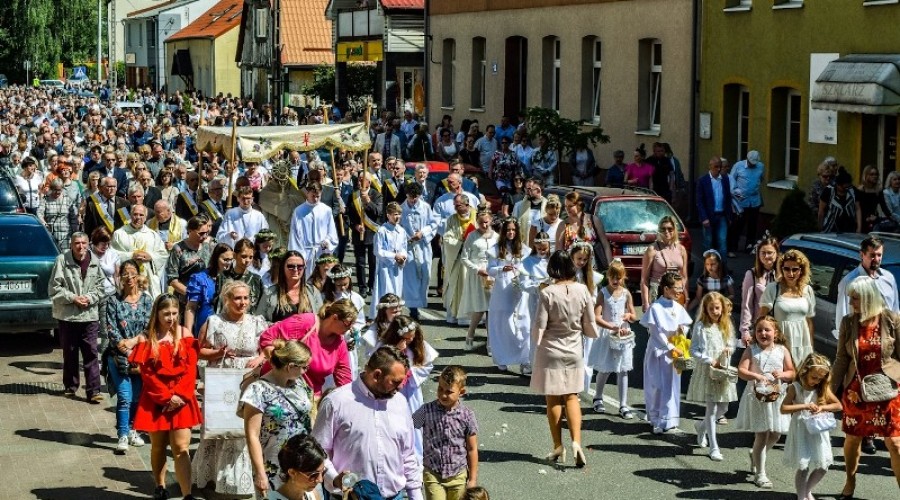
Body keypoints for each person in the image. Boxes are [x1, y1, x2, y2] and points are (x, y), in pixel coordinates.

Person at [312, 346, 425, 500]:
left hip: (395, 496)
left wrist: (416, 495)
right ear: (377, 375)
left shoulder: (400, 402)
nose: (400, 387)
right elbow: (318, 452)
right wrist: (335, 479)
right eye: (395, 381)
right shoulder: (336, 402)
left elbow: (408, 453)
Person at [192, 281, 269, 497]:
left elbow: (269, 346)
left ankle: (241, 479)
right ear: (227, 299)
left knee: (243, 431)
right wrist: (218, 353)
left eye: (245, 298)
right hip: (222, 380)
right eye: (237, 298)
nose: (242, 302)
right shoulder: (214, 321)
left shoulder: (257, 322)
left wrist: (260, 358)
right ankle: (211, 477)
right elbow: (199, 351)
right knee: (219, 428)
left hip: (248, 379)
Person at [831, 277, 900, 498]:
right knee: (852, 438)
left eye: (855, 298)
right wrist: (829, 391)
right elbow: (841, 358)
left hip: (888, 389)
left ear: (869, 298)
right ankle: (849, 483)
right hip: (856, 391)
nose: (851, 302)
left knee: (896, 444)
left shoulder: (891, 319)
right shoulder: (848, 322)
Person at [129, 294, 202, 500]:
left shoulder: (184, 333)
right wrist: (166, 398)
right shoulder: (148, 337)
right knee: (158, 446)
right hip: (156, 400)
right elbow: (148, 374)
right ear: (157, 314)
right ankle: (160, 486)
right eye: (166, 314)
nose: (170, 318)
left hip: (182, 399)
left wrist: (180, 395)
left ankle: (187, 494)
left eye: (174, 313)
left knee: (181, 447)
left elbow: (190, 369)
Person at [531, 250, 597, 467]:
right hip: (574, 348)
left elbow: (540, 324)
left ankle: (558, 445)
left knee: (553, 397)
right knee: (571, 396)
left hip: (551, 348)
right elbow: (589, 322)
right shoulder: (583, 290)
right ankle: (577, 442)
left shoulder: (548, 292)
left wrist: (535, 342)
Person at [242, 339, 314, 498]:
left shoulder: (299, 383)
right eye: (304, 367)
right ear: (291, 367)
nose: (306, 371)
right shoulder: (258, 390)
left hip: (302, 461)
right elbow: (251, 435)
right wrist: (260, 474)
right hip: (273, 466)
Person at [735, 316, 795, 491]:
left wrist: (782, 375)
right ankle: (760, 473)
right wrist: (756, 376)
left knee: (776, 433)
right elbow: (741, 371)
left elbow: (792, 372)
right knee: (761, 435)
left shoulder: (782, 350)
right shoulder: (751, 350)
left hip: (776, 397)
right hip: (757, 397)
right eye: (759, 330)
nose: (763, 333)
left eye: (767, 330)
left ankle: (756, 453)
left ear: (775, 333)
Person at [50, 232, 107, 402]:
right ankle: (70, 386)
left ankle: (94, 391)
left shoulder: (95, 262)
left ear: (88, 244)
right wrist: (73, 298)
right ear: (71, 245)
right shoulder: (62, 261)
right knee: (70, 352)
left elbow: (101, 288)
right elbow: (54, 288)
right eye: (77, 243)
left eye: (83, 243)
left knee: (91, 352)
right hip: (68, 316)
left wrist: (88, 298)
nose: (80, 246)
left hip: (89, 316)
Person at [258, 301, 355, 398]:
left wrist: (348, 400)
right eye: (347, 323)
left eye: (352, 325)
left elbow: (344, 378)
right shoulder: (305, 322)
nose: (350, 328)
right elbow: (267, 338)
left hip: (308, 397)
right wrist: (277, 366)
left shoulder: (340, 344)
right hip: (275, 388)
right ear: (334, 317)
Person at [104, 260, 153, 454]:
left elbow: (150, 328)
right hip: (119, 357)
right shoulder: (113, 301)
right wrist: (127, 351)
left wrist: (133, 344)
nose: (130, 278)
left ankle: (134, 429)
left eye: (133, 273)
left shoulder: (147, 300)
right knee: (125, 396)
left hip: (141, 354)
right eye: (126, 274)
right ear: (120, 277)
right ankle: (122, 434)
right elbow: (111, 330)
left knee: (137, 397)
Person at [780, 353, 842, 500]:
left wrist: (823, 408)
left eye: (820, 378)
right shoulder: (795, 387)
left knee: (823, 466)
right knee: (804, 466)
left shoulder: (821, 388)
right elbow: (783, 408)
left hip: (817, 429)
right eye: (814, 377)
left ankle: (807, 490)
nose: (817, 381)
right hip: (801, 428)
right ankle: (801, 496)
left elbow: (838, 405)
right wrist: (805, 405)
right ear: (805, 371)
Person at [413, 365, 479, 499]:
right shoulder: (426, 410)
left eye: (449, 392)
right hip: (433, 473)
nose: (443, 394)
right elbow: (407, 428)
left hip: (458, 475)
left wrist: (472, 479)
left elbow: (472, 449)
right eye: (440, 389)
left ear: (461, 392)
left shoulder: (467, 416)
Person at [686, 292, 738, 462]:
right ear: (706, 310)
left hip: (722, 370)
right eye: (711, 308)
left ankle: (701, 426)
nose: (715, 311)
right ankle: (714, 447)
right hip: (709, 371)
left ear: (722, 308)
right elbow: (693, 350)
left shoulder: (726, 324)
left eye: (717, 308)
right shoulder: (701, 326)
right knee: (712, 408)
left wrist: (729, 349)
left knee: (724, 408)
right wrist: (709, 360)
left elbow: (731, 342)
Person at [377, 316, 439, 454]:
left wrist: (412, 372)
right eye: (405, 338)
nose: (409, 341)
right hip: (391, 391)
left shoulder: (417, 347)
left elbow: (427, 366)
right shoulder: (384, 347)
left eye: (411, 337)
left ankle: (416, 453)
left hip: (411, 393)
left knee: (414, 422)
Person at [640, 271, 692, 435]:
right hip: (659, 351)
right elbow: (655, 331)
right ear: (666, 289)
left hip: (674, 353)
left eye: (681, 288)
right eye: (676, 288)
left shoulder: (678, 307)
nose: (680, 291)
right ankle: (655, 419)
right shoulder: (656, 307)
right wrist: (670, 347)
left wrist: (682, 331)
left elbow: (685, 324)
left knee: (672, 386)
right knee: (657, 385)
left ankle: (670, 420)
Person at [587, 259, 636, 419]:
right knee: (605, 368)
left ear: (623, 277)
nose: (616, 281)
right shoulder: (603, 293)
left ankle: (623, 404)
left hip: (623, 336)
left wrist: (629, 316)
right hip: (608, 334)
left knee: (623, 370)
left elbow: (633, 315)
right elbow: (596, 316)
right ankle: (598, 397)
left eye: (619, 278)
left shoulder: (626, 294)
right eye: (613, 277)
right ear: (608, 276)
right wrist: (611, 326)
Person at [486, 218, 532, 374]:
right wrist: (501, 270)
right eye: (508, 230)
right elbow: (490, 270)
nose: (511, 233)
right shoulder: (495, 249)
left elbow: (528, 268)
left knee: (523, 324)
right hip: (502, 289)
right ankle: (502, 358)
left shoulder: (524, 250)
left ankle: (525, 360)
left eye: (513, 230)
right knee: (503, 324)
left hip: (520, 289)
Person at [758, 248, 816, 370]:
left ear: (801, 270)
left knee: (799, 383)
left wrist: (810, 347)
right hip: (780, 342)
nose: (790, 273)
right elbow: (761, 318)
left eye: (795, 269)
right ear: (781, 269)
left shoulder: (808, 290)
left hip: (802, 343)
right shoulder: (773, 288)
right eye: (786, 269)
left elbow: (809, 321)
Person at [459, 208, 498, 351]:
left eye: (486, 222)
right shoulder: (471, 236)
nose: (484, 225)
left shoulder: (497, 237)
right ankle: (470, 334)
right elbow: (464, 258)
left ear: (491, 221)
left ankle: (490, 342)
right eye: (481, 223)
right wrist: (477, 269)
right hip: (477, 275)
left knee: (491, 309)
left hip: (492, 274)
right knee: (481, 307)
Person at [112, 204, 168, 298]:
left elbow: (163, 254)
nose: (138, 217)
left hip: (148, 279)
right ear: (130, 215)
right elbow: (112, 255)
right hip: (128, 279)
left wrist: (150, 256)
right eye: (135, 214)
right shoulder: (120, 234)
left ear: (146, 217)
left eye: (141, 215)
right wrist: (131, 256)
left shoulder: (152, 235)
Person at [322, 265, 366, 380]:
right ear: (332, 282)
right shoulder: (325, 298)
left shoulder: (356, 298)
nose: (342, 288)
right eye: (339, 285)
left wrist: (354, 333)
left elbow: (360, 321)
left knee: (347, 371)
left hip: (348, 341)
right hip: (330, 341)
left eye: (345, 284)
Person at [289, 182, 339, 280]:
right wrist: (300, 255)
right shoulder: (299, 211)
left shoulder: (326, 210)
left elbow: (331, 232)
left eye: (318, 196)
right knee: (306, 281)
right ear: (307, 193)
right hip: (305, 253)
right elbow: (294, 236)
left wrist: (327, 241)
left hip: (322, 251)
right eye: (313, 196)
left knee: (322, 281)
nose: (315, 199)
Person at [440, 195, 477, 325]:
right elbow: (447, 238)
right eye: (455, 205)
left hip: (473, 260)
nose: (455, 208)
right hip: (458, 259)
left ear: (467, 205)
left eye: (459, 205)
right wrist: (460, 241)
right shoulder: (452, 219)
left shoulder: (477, 217)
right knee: (456, 288)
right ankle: (456, 315)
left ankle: (472, 317)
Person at [256, 252, 323, 323]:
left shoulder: (313, 292)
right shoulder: (269, 293)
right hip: (278, 333)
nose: (296, 269)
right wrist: (274, 326)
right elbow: (258, 321)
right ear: (283, 268)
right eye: (291, 266)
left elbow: (321, 320)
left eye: (300, 266)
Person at [640, 216, 688, 311]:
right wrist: (645, 302)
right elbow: (644, 279)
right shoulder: (652, 250)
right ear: (659, 230)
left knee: (676, 324)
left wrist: (686, 297)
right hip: (657, 292)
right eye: (663, 229)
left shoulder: (681, 249)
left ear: (675, 230)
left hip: (676, 293)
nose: (666, 232)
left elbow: (684, 276)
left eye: (670, 229)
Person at [165, 215, 214, 307]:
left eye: (207, 233)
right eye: (201, 233)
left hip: (207, 298)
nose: (205, 236)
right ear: (190, 231)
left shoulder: (210, 246)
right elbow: (172, 279)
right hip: (185, 298)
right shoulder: (178, 249)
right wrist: (192, 294)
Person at [740, 234, 780, 347]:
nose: (766, 256)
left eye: (770, 253)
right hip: (760, 329)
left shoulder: (783, 275)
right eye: (763, 253)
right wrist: (745, 331)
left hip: (779, 330)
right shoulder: (752, 275)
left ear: (777, 254)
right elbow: (747, 305)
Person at [347, 173, 383, 297]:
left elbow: (378, 212)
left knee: (373, 262)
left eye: (363, 180)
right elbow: (348, 215)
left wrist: (368, 201)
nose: (359, 182)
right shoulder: (353, 195)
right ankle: (362, 287)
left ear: (369, 182)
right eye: (358, 180)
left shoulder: (376, 194)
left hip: (372, 233)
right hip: (359, 233)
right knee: (360, 262)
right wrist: (355, 225)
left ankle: (371, 285)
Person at [370, 202, 408, 318]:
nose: (397, 217)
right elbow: (378, 250)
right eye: (395, 214)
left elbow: (404, 247)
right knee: (386, 289)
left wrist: (403, 257)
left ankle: (395, 313)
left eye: (399, 215)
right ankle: (382, 315)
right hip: (385, 267)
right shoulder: (382, 231)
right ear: (388, 215)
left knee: (396, 289)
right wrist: (393, 256)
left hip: (397, 267)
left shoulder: (401, 231)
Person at [266, 434, 327, 500]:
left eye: (323, 472)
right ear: (292, 473)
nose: (320, 480)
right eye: (314, 475)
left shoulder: (313, 495)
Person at [696, 156, 733, 262]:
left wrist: (729, 216)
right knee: (708, 242)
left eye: (720, 167)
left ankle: (723, 269)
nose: (718, 169)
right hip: (708, 216)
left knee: (722, 242)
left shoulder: (725, 179)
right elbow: (699, 201)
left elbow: (728, 198)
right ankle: (707, 270)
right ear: (710, 166)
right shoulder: (703, 180)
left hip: (721, 215)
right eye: (716, 167)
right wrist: (704, 218)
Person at [730, 150, 765, 251]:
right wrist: (737, 192)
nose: (752, 165)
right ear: (747, 159)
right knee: (739, 224)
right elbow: (731, 180)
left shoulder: (761, 166)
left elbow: (761, 179)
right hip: (741, 201)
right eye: (751, 162)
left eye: (754, 163)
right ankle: (733, 245)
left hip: (755, 201)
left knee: (753, 224)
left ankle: (749, 245)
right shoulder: (738, 166)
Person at [221, 238, 264, 312]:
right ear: (234, 255)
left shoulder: (257, 280)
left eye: (250, 257)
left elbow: (261, 306)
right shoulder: (223, 277)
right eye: (244, 256)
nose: (247, 260)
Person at [37, 179, 79, 250]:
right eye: (55, 190)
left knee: (65, 256)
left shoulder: (68, 200)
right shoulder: (45, 200)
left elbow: (73, 217)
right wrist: (43, 223)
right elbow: (39, 213)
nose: (57, 192)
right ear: (51, 189)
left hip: (66, 235)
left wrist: (74, 233)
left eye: (59, 190)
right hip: (50, 234)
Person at [361, 293, 405, 358]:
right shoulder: (376, 329)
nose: (398, 314)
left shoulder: (402, 325)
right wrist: (396, 349)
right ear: (383, 312)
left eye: (400, 311)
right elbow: (371, 355)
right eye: (394, 312)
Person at [857, 164, 891, 233]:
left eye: (876, 174)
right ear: (866, 175)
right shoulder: (860, 190)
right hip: (861, 220)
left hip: (873, 220)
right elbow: (858, 209)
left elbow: (884, 207)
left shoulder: (878, 191)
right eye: (871, 174)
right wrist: (859, 227)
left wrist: (892, 219)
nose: (874, 176)